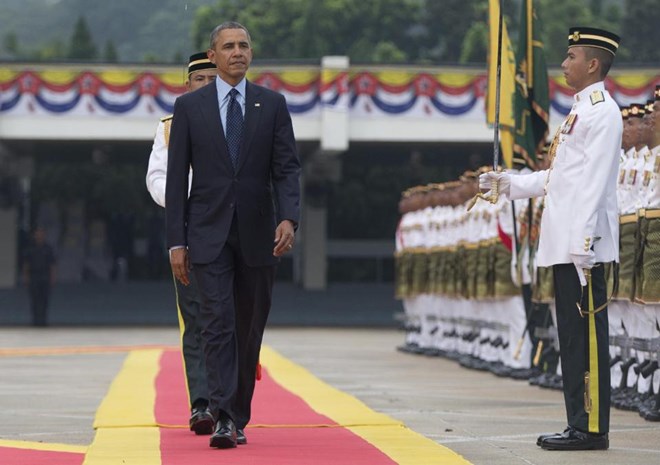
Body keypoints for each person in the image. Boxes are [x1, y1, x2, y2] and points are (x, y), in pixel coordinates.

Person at [480, 27, 622, 450]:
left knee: (588, 339)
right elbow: (559, 178)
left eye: (572, 56)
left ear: (593, 64)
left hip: (585, 249)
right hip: (567, 244)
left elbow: (595, 183)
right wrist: (508, 183)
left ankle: (592, 427)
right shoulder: (578, 111)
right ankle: (579, 421)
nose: (564, 64)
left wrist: (583, 242)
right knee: (572, 336)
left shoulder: (602, 112)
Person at [165, 22, 301, 449]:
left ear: (251, 53)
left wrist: (289, 218)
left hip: (260, 234)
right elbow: (174, 181)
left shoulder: (273, 104)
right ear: (214, 54)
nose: (238, 52)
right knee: (217, 324)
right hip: (207, 235)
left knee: (248, 329)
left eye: (244, 45)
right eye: (229, 46)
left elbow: (287, 168)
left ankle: (238, 413)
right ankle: (224, 415)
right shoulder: (190, 108)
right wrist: (176, 242)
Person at [146, 52, 217, 435]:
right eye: (199, 81)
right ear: (186, 86)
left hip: (229, 228)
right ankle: (202, 403)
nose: (206, 86)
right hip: (190, 227)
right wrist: (188, 197)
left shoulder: (235, 121)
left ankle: (228, 402)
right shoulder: (170, 127)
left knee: (228, 319)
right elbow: (156, 177)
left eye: (212, 79)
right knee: (195, 320)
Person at [22, 226, 56, 327]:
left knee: (44, 300)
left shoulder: (48, 248)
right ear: (34, 235)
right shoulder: (30, 248)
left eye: (41, 234)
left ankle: (43, 321)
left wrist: (53, 277)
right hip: (34, 276)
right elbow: (26, 264)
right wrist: (26, 277)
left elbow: (52, 265)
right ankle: (35, 321)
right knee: (34, 300)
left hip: (45, 276)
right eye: (37, 234)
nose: (39, 236)